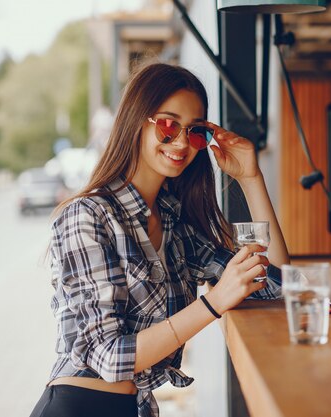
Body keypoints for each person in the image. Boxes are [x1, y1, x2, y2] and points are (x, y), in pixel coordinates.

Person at [30, 63, 290, 417]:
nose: (182, 142)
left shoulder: (175, 224)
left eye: (196, 131)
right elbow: (107, 356)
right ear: (137, 121)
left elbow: (274, 281)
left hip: (133, 407)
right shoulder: (86, 216)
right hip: (79, 406)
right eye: (168, 124)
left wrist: (251, 177)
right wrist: (213, 302)